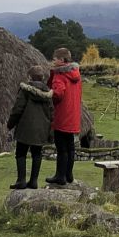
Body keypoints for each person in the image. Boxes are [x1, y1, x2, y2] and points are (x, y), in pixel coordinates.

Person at [5, 64, 54, 189]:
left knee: (21, 153)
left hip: (25, 127)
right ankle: (33, 181)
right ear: (42, 77)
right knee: (37, 154)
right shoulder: (48, 93)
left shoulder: (26, 90)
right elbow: (51, 111)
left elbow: (18, 108)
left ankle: (21, 180)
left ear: (30, 77)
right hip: (41, 128)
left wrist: (10, 124)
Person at [45, 47, 82, 186]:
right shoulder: (76, 74)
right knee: (71, 146)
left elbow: (58, 94)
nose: (53, 61)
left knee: (61, 147)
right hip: (73, 113)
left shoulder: (59, 75)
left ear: (61, 60)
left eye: (54, 59)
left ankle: (60, 176)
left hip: (62, 114)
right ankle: (69, 174)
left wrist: (51, 94)